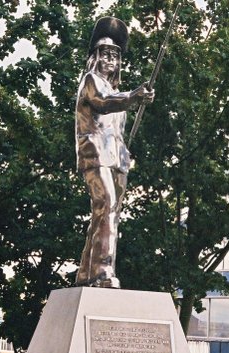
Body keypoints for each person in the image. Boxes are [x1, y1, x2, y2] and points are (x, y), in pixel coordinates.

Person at [75, 17, 154, 288]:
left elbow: (116, 129)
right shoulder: (91, 81)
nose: (111, 59)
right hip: (94, 154)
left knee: (106, 213)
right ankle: (103, 272)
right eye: (106, 53)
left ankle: (87, 273)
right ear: (95, 56)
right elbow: (102, 103)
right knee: (106, 205)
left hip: (117, 159)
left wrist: (134, 99)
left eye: (115, 55)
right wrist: (133, 98)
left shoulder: (115, 89)